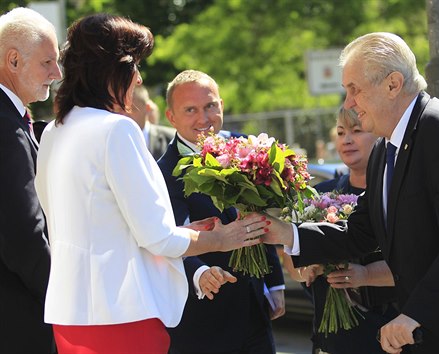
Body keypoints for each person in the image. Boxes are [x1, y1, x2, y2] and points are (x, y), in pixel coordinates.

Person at [263, 32, 439, 354]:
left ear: (392, 84)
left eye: (354, 89)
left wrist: (414, 314)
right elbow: (362, 231)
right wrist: (286, 233)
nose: (348, 103)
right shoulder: (385, 149)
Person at [34, 14, 268, 354]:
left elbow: (91, 221)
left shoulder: (56, 131)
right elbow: (156, 236)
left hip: (70, 314)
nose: (139, 79)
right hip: (123, 314)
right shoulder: (116, 129)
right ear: (113, 72)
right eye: (135, 68)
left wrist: (190, 233)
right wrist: (220, 238)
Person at [157, 69, 285, 354]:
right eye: (190, 110)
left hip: (254, 308)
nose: (203, 119)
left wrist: (275, 284)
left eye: (210, 106)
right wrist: (200, 272)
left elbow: (260, 213)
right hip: (202, 316)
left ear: (221, 105)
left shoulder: (248, 148)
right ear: (171, 117)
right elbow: (166, 239)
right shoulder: (162, 173)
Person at [285, 106, 398, 354]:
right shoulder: (321, 194)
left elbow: (415, 264)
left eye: (357, 130)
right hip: (331, 337)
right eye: (340, 132)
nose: (347, 139)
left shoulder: (394, 194)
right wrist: (309, 266)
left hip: (386, 332)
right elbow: (293, 268)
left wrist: (365, 274)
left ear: (380, 135)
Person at [0, 7, 61, 353]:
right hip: (18, 319)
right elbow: (23, 234)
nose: (57, 73)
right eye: (47, 62)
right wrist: (62, 296)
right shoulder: (6, 128)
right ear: (13, 61)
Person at [126, 84, 175, 159]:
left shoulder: (173, 139)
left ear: (147, 108)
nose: (125, 115)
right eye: (120, 109)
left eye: (131, 109)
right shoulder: (113, 141)